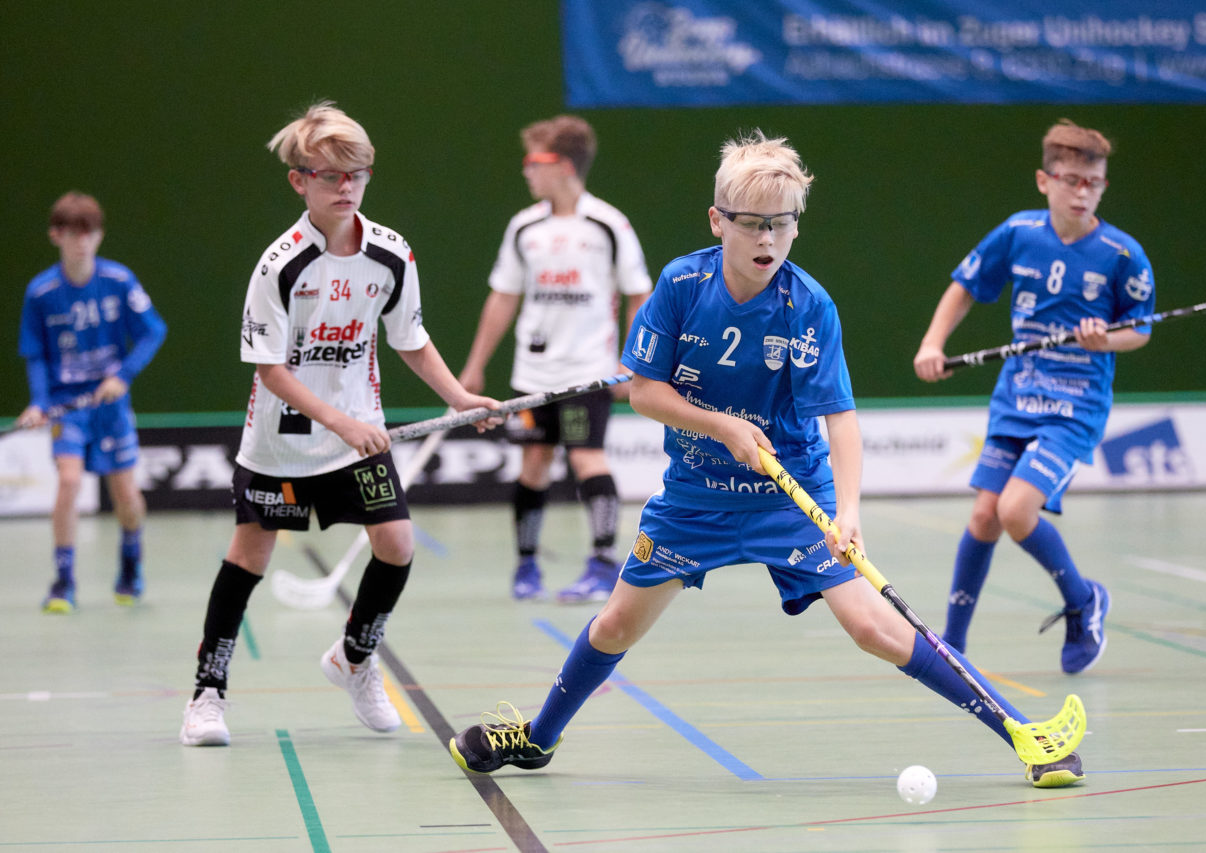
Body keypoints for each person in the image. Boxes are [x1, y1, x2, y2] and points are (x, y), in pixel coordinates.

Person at [448, 130, 1086, 789]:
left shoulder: (808, 306)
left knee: (876, 627)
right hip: (695, 496)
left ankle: (1025, 738)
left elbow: (840, 419)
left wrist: (849, 511)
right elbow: (643, 391)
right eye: (752, 224)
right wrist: (719, 424)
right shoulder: (681, 285)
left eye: (783, 224)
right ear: (717, 221)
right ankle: (538, 737)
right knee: (615, 624)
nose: (768, 241)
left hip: (790, 496)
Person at [180, 101, 501, 747]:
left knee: (397, 543)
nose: (347, 186)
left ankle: (354, 657)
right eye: (331, 175)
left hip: (358, 436)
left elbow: (409, 338)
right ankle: (206, 696)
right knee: (249, 555)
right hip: (281, 442)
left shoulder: (391, 254)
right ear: (299, 180)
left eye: (358, 173)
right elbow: (271, 369)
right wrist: (339, 422)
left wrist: (459, 395)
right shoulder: (280, 265)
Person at [913, 119, 1155, 674]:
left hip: (1076, 407)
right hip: (1017, 398)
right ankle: (954, 645)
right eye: (1070, 179)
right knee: (983, 517)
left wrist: (1106, 338)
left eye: (1092, 182)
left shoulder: (1123, 255)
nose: (1081, 191)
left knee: (1015, 509)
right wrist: (932, 343)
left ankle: (1083, 600)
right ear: (1044, 181)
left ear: (1103, 186)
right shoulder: (1019, 233)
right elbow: (964, 288)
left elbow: (1140, 329)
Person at [458, 115, 652, 604]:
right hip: (532, 375)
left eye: (533, 162)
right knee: (533, 463)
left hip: (588, 375)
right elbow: (503, 296)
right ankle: (526, 566)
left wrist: (634, 365)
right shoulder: (524, 227)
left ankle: (604, 564)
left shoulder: (608, 224)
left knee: (588, 458)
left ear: (563, 166)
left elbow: (638, 296)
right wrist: (475, 365)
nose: (526, 172)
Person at [17, 192, 167, 613]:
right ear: (56, 235)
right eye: (72, 234)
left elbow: (154, 330)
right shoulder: (41, 292)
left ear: (98, 236)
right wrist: (38, 402)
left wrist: (122, 375)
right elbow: (36, 354)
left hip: (111, 405)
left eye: (90, 233)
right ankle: (63, 581)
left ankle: (130, 562)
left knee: (126, 495)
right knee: (68, 481)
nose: (82, 242)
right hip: (68, 406)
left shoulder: (119, 281)